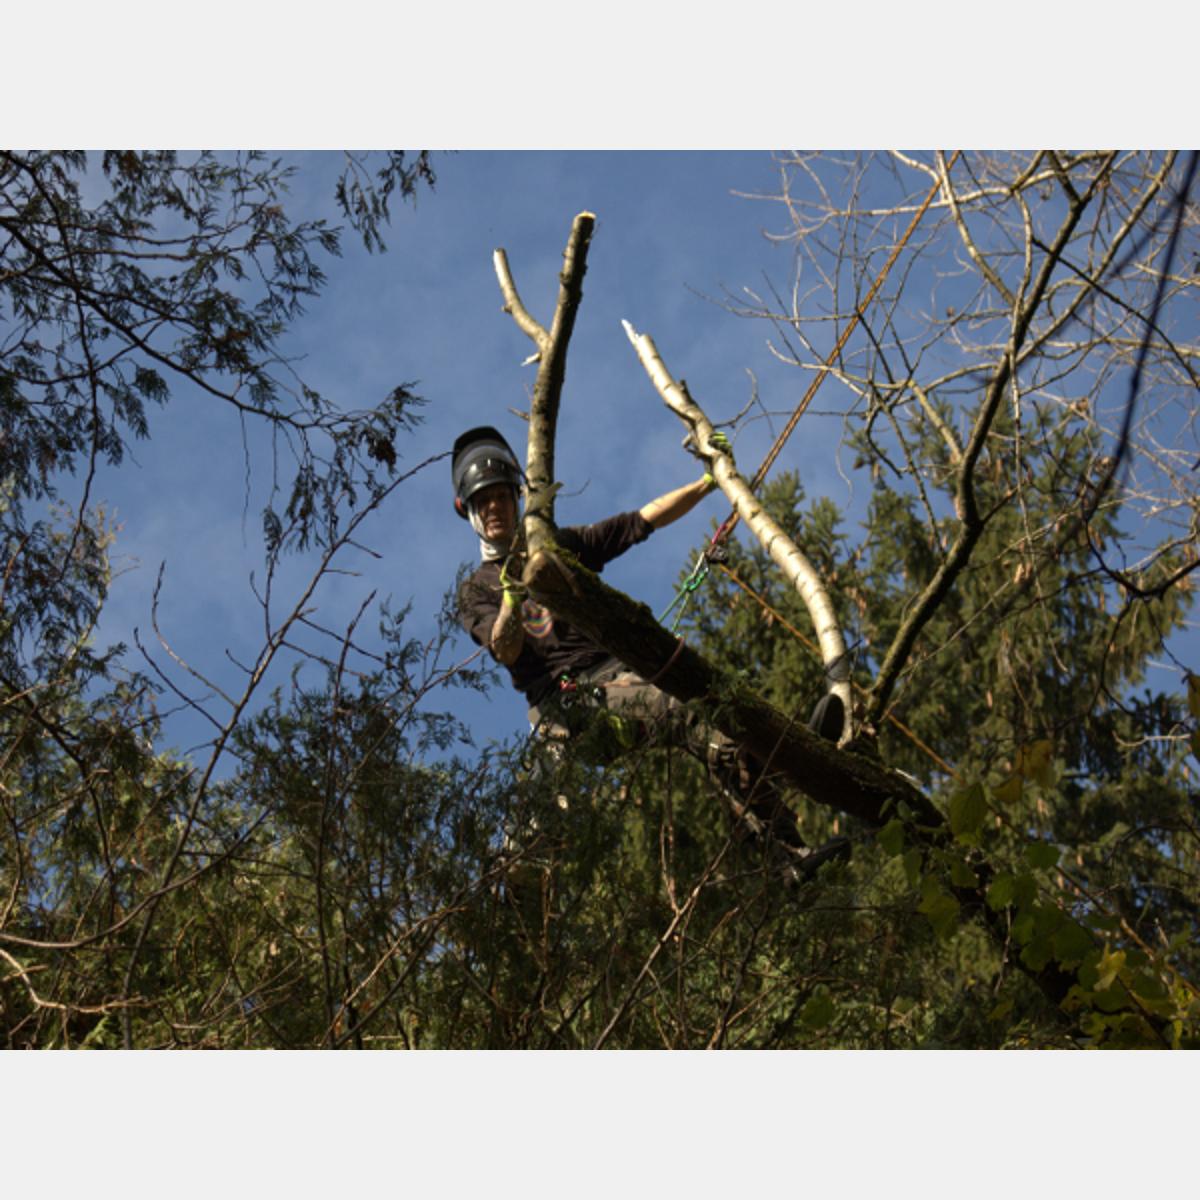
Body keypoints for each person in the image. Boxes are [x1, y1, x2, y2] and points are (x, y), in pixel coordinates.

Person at [453, 425, 846, 883]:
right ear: (470, 512)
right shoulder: (476, 590)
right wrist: (512, 595)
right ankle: (779, 768)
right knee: (686, 707)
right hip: (574, 707)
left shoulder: (554, 547)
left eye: (501, 496)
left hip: (624, 675)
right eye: (485, 502)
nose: (495, 508)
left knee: (714, 697)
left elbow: (640, 522)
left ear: (516, 497)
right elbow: (506, 647)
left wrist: (709, 481)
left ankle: (788, 842)